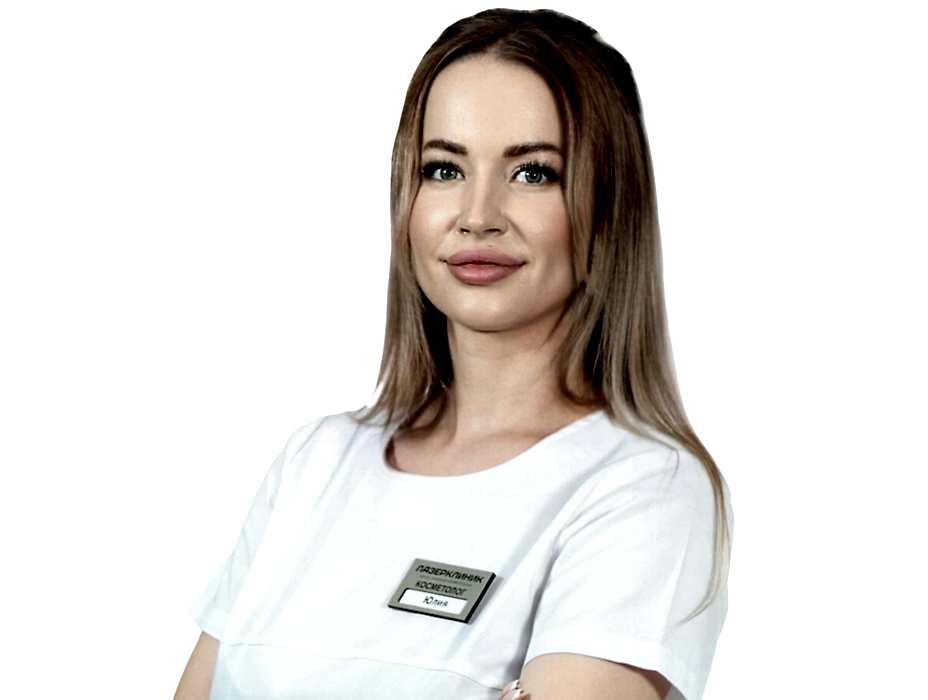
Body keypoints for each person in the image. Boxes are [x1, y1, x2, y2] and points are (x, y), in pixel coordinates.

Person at [174, 8, 733, 700]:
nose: (477, 214)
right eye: (444, 169)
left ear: (607, 210)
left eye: (533, 173)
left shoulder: (643, 490)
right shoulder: (313, 464)